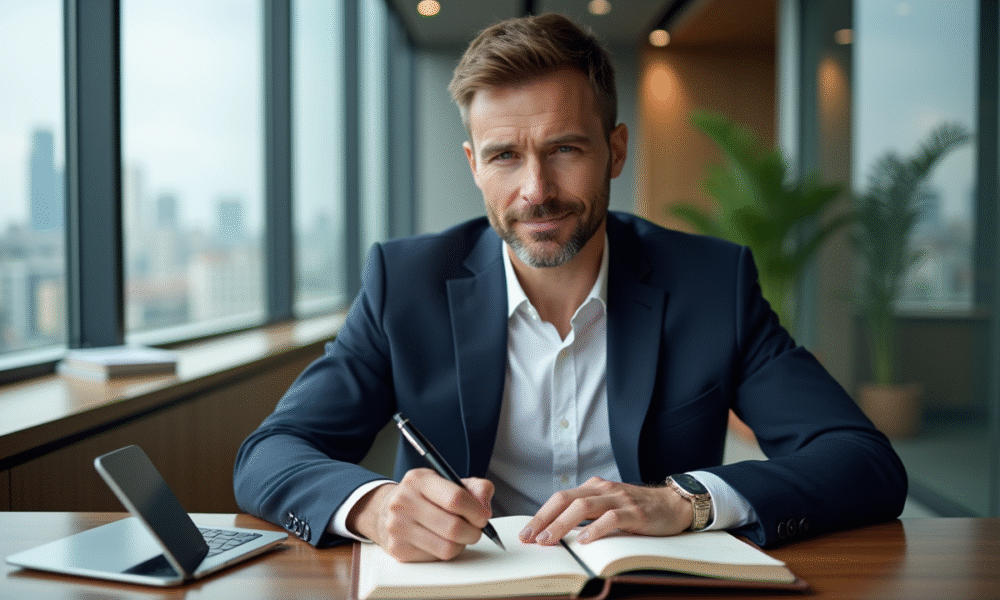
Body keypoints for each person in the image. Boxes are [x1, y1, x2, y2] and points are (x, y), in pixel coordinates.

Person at [233, 13, 906, 563]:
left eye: (565, 149)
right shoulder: (404, 283)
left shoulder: (711, 283)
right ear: (474, 166)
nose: (537, 191)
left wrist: (687, 501)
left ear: (615, 150)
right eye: (504, 155)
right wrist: (376, 507)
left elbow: (863, 462)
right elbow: (271, 454)